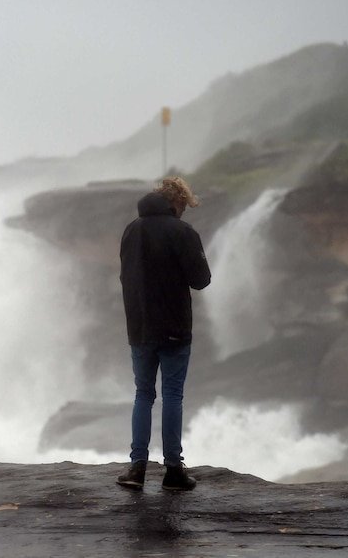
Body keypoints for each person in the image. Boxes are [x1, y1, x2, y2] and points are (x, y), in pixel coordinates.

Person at [116, 177, 211, 491]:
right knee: (172, 396)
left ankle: (136, 469)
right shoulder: (182, 232)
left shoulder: (131, 230)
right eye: (184, 206)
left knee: (143, 395)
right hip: (173, 328)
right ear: (177, 202)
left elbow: (124, 275)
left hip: (139, 327)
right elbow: (201, 279)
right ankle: (173, 470)